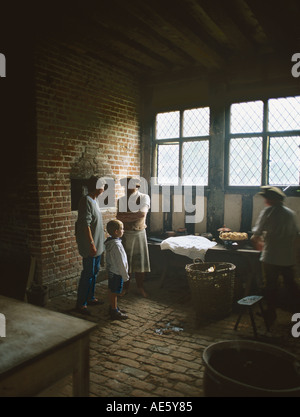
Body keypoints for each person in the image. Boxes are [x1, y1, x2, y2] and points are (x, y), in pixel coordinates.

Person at [251, 186, 300, 327]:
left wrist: (259, 246)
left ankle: (270, 313)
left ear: (270, 200)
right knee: (291, 286)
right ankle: (297, 314)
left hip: (271, 256)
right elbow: (296, 236)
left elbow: (257, 234)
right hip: (287, 257)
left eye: (266, 198)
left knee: (270, 286)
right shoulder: (290, 214)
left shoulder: (268, 212)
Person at [75, 175, 105, 315]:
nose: (104, 188)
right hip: (91, 244)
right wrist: (91, 244)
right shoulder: (85, 200)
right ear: (97, 186)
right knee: (88, 273)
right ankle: (81, 304)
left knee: (94, 272)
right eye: (103, 185)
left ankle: (90, 297)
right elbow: (85, 225)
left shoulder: (95, 200)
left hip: (98, 242)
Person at [117, 177, 151, 297]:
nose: (127, 188)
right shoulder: (121, 200)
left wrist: (127, 216)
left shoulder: (144, 197)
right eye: (125, 186)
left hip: (139, 233)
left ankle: (140, 287)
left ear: (137, 186)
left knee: (140, 263)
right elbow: (119, 216)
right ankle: (125, 288)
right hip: (126, 234)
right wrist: (132, 215)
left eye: (130, 185)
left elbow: (142, 214)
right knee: (126, 263)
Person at [105, 220, 129, 320]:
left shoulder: (111, 242)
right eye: (121, 229)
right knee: (115, 292)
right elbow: (121, 262)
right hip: (117, 272)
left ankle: (113, 307)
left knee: (112, 290)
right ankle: (114, 311)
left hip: (112, 271)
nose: (123, 231)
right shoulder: (117, 246)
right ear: (116, 232)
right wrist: (125, 275)